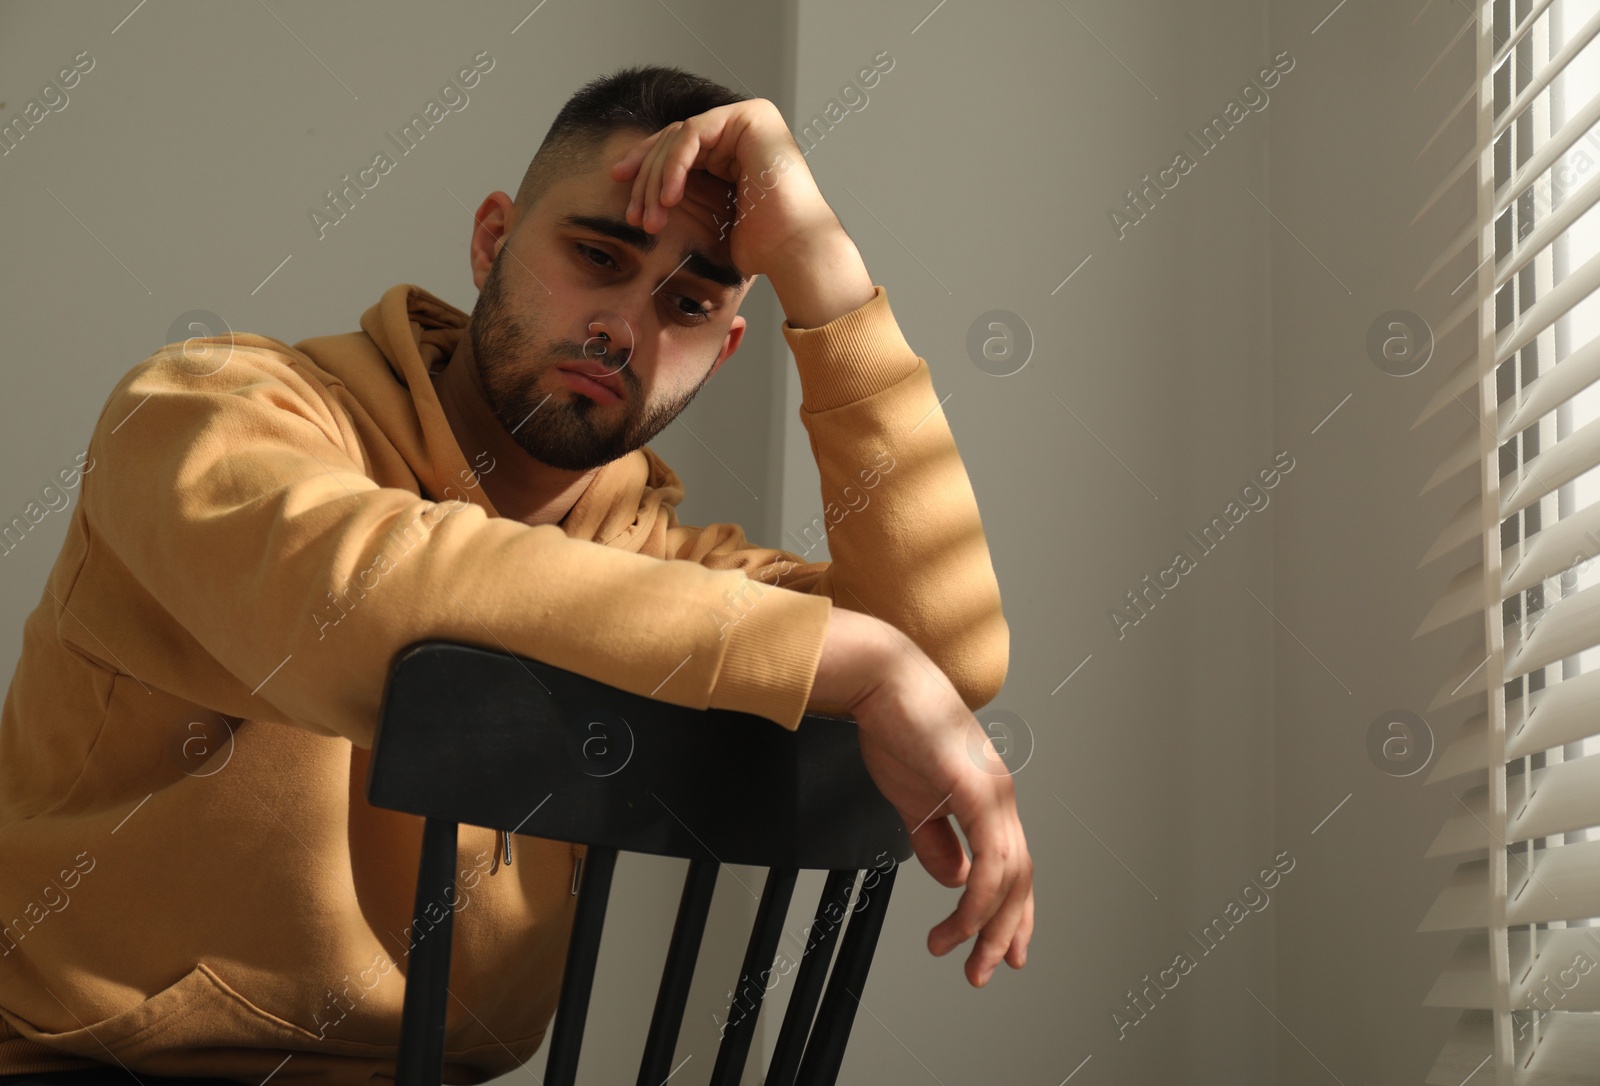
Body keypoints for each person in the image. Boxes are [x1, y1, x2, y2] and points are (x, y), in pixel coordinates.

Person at [0, 65, 1032, 1085]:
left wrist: (826, 275)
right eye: (596, 255)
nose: (621, 328)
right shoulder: (204, 412)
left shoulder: (653, 566)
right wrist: (840, 655)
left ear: (723, 352)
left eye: (686, 303)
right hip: (89, 1066)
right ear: (493, 238)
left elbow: (944, 659)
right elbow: (364, 589)